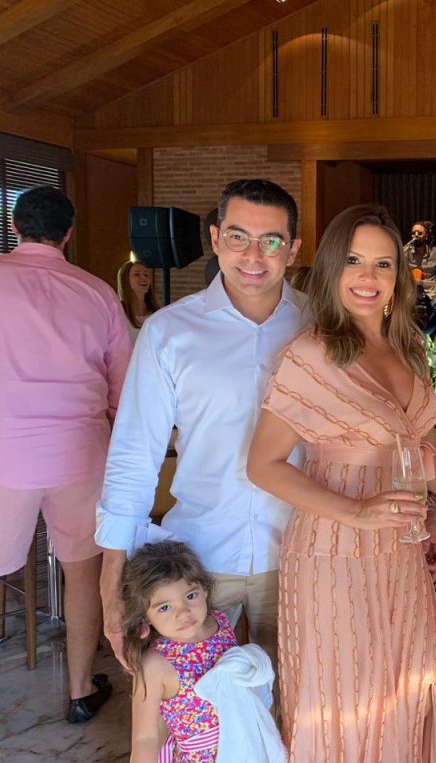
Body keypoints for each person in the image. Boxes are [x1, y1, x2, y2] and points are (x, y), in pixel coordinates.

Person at [246, 204, 436, 763]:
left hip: (402, 551)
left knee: (404, 685)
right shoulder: (311, 354)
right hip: (332, 552)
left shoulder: (408, 347)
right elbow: (263, 465)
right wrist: (357, 512)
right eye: (354, 261)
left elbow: (421, 446)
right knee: (345, 696)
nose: (368, 277)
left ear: (398, 277)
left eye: (383, 264)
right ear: (332, 268)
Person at [97, 179, 305, 674]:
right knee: (200, 710)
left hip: (301, 555)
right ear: (215, 239)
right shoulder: (169, 331)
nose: (253, 255)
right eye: (238, 236)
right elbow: (134, 453)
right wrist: (111, 577)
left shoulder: (321, 325)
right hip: (200, 564)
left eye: (271, 240)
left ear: (292, 250)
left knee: (299, 707)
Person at [0, 186, 132, 723]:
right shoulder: (97, 292)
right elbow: (124, 388)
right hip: (81, 452)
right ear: (68, 234)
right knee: (82, 571)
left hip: (4, 453)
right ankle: (80, 693)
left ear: (14, 226)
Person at [123, 541, 284, 763]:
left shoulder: (220, 623)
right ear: (145, 616)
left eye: (190, 596)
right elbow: (145, 738)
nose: (183, 613)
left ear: (205, 590)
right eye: (165, 607)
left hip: (245, 748)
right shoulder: (154, 664)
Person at [404, 220, 436, 336]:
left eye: (419, 233)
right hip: (411, 290)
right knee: (401, 308)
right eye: (413, 233)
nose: (416, 235)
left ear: (426, 236)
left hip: (432, 290)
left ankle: (424, 336)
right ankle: (407, 337)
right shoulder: (404, 252)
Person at [117, 259, 160, 342]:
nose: (143, 278)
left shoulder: (156, 313)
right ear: (125, 280)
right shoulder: (118, 312)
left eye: (146, 275)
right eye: (137, 274)